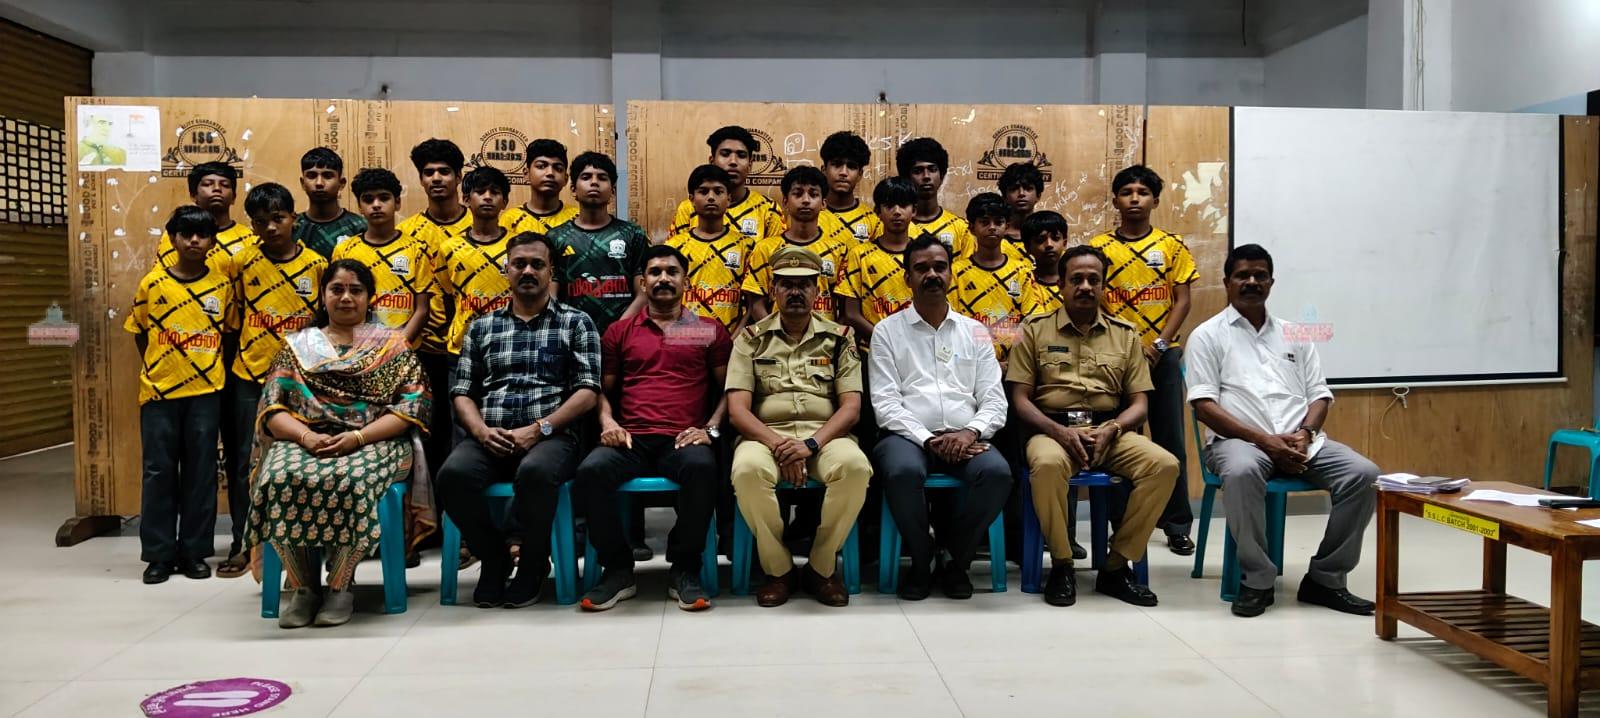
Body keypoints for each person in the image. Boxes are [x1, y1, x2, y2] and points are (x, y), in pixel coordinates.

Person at [1186, 244, 1379, 619]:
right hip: (1239, 443)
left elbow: (1319, 395)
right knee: (1242, 472)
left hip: (1300, 442)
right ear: (1227, 282)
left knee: (1364, 474)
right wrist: (1265, 442)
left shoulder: (1295, 334)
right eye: (1242, 275)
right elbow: (1204, 407)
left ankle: (1326, 578)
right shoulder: (1207, 336)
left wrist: (1305, 434)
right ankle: (1257, 579)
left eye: (1260, 275)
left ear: (1271, 283)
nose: (1252, 282)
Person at [244, 259, 431, 628]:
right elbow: (272, 408)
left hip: (373, 439)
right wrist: (307, 436)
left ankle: (340, 585)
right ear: (323, 295)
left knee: (351, 480)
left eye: (355, 290)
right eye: (337, 289)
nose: (346, 298)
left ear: (369, 297)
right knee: (279, 477)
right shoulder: (298, 346)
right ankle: (304, 587)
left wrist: (357, 437)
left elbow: (413, 408)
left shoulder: (392, 346)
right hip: (306, 438)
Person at [1007, 245, 1177, 608]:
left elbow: (1140, 405)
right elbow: (1020, 400)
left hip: (1109, 431)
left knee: (1164, 465)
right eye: (1076, 279)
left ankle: (1115, 566)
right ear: (1062, 285)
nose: (1085, 286)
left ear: (1103, 286)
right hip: (1052, 431)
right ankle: (1062, 564)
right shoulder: (1033, 330)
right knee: (1047, 465)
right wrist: (1059, 432)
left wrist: (1112, 429)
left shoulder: (1126, 334)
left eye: (1093, 280)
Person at [436, 232, 600, 608]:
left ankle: (531, 564)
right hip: (490, 435)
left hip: (552, 437)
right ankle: (494, 557)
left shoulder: (576, 323)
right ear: (505, 269)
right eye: (519, 264)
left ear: (551, 271)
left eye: (537, 265)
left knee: (536, 473)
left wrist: (539, 429)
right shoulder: (481, 327)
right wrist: (480, 431)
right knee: (452, 477)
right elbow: (462, 392)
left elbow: (588, 392)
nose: (527, 271)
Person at [576, 244, 732, 612]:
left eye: (672, 272)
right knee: (591, 471)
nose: (663, 278)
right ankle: (617, 569)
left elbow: (731, 390)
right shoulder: (620, 331)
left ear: (686, 282)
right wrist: (608, 422)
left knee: (702, 467)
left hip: (683, 439)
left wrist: (710, 429)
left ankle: (685, 567)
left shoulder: (705, 330)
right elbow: (601, 390)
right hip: (630, 438)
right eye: (655, 272)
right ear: (643, 283)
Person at [727, 245, 871, 607]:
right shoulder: (750, 339)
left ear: (816, 290)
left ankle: (821, 567)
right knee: (746, 470)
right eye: (786, 284)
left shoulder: (840, 337)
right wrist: (780, 446)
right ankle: (779, 569)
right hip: (764, 437)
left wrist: (809, 445)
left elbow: (851, 408)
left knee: (855, 467)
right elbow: (738, 412)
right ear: (773, 290)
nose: (795, 292)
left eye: (804, 284)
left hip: (824, 435)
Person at [869, 235, 1011, 600]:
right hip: (907, 437)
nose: (931, 274)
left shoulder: (974, 331)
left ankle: (955, 559)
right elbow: (885, 403)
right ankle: (921, 559)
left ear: (951, 274)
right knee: (901, 472)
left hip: (966, 436)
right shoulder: (887, 331)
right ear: (907, 278)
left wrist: (970, 432)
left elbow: (994, 399)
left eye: (939, 267)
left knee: (997, 474)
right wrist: (928, 439)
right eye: (921, 268)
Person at [1089, 165, 1200, 557]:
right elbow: (1096, 299)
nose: (1134, 198)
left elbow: (1182, 300)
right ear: (1115, 200)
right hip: (1117, 356)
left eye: (1142, 192)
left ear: (1155, 200)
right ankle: (1121, 524)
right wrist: (1131, 346)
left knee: (1170, 440)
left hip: (1163, 356)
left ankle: (1177, 524)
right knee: (1118, 437)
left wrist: (1159, 344)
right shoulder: (1100, 247)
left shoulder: (1171, 245)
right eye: (1127, 192)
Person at [218, 183, 326, 579]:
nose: (270, 228)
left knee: (303, 459)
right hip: (249, 375)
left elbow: (323, 323)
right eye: (260, 221)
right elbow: (231, 324)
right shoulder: (241, 262)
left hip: (301, 379)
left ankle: (305, 542)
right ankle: (244, 544)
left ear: (294, 218)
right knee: (246, 463)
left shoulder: (316, 264)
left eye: (278, 218)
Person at [127, 206, 232, 585]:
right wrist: (162, 369)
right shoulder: (153, 283)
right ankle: (158, 555)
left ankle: (194, 552)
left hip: (206, 392)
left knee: (201, 473)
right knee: (158, 472)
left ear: (212, 241)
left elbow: (228, 334)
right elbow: (140, 333)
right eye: (186, 234)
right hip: (159, 394)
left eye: (202, 235)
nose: (194, 241)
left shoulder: (222, 286)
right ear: (172, 239)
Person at [398, 139, 472, 520]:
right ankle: (432, 522)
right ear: (421, 180)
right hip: (424, 351)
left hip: (471, 352)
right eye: (429, 173)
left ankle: (467, 522)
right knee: (429, 436)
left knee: (468, 436)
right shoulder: (408, 233)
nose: (437, 178)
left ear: (459, 177)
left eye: (445, 171)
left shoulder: (482, 223)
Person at [546, 152, 649, 337]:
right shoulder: (556, 237)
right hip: (570, 337)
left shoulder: (633, 234)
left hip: (622, 337)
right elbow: (551, 296)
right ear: (573, 189)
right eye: (586, 177)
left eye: (602, 178)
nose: (594, 182)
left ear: (613, 191)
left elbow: (644, 293)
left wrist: (616, 333)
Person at [331, 168, 435, 346]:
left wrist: (395, 347)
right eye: (368, 199)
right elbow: (337, 303)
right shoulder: (345, 250)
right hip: (355, 349)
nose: (376, 205)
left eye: (384, 198)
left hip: (403, 350)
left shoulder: (417, 249)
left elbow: (422, 310)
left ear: (397, 203)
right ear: (360, 206)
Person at [742, 166, 854, 324]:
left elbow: (845, 310)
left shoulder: (839, 250)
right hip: (775, 338)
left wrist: (829, 336)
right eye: (798, 193)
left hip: (824, 338)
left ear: (823, 203)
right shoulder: (765, 249)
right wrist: (776, 334)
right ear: (785, 202)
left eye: (813, 194)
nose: (806, 200)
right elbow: (756, 305)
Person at [950, 193, 1039, 366]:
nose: (992, 228)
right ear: (972, 228)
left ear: (1007, 227)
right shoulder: (956, 272)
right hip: (969, 363)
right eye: (984, 222)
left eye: (998, 222)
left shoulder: (1022, 271)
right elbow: (952, 322)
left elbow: (1032, 321)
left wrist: (1013, 362)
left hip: (1014, 365)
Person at [436, 167, 513, 357]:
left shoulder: (517, 246)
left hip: (509, 346)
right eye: (480, 192)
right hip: (462, 348)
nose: (487, 197)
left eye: (495, 192)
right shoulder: (449, 248)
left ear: (504, 202)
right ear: (466, 199)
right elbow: (447, 297)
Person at [665, 164, 748, 335]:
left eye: (718, 192)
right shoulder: (673, 247)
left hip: (731, 342)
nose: (711, 197)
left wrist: (735, 341)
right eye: (703, 192)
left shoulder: (746, 246)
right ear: (691, 199)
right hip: (682, 340)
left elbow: (753, 304)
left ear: (729, 199)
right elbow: (663, 300)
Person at [836, 177, 918, 344]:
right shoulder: (859, 255)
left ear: (914, 210)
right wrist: (884, 341)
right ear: (877, 211)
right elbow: (851, 314)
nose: (897, 211)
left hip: (917, 347)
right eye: (889, 206)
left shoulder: (923, 254)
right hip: (871, 348)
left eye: (903, 205)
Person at [672, 126, 783, 242]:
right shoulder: (688, 208)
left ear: (750, 165)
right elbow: (676, 250)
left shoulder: (768, 209)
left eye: (741, 155)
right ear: (712, 161)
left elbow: (775, 251)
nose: (733, 161)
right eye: (725, 154)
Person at [153, 162, 256, 273]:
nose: (217, 188)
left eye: (225, 185)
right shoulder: (179, 234)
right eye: (207, 184)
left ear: (234, 197)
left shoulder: (250, 238)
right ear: (193, 195)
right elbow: (164, 279)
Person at [897, 137, 976, 259]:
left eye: (932, 169)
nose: (926, 176)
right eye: (918, 171)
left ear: (942, 176)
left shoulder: (962, 229)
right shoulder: (893, 226)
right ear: (906, 177)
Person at [294, 147, 367, 260]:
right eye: (312, 176)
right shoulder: (292, 228)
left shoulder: (360, 227)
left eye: (327, 176)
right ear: (303, 183)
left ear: (341, 183)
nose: (319, 183)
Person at [503, 139, 579, 234]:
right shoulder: (510, 219)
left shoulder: (578, 217)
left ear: (566, 179)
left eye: (558, 168)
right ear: (526, 174)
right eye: (541, 166)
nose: (550, 173)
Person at [819, 130, 880, 243]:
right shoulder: (809, 215)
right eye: (837, 164)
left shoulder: (872, 221)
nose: (843, 172)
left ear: (860, 174)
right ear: (824, 170)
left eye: (851, 166)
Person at [1021, 210, 1068, 315]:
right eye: (1040, 240)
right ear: (1027, 247)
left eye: (1055, 238)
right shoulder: (1023, 282)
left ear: (1064, 243)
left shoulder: (1074, 282)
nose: (1049, 244)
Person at [998, 162, 1044, 252]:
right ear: (1004, 196)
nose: (1021, 193)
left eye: (1028, 188)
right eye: (1014, 189)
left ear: (1038, 196)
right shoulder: (995, 235)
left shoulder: (1048, 236)